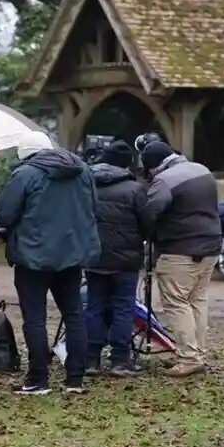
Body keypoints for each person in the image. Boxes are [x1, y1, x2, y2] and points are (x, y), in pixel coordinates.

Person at [0, 131, 100, 395]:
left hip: (32, 256)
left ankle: (38, 379)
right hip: (72, 254)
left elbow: (5, 214)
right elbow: (93, 207)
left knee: (35, 318)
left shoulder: (26, 174)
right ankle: (75, 379)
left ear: (26, 154)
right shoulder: (83, 170)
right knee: (74, 314)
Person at [139, 141, 221, 377]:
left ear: (153, 166)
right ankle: (198, 353)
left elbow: (149, 214)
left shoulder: (165, 181)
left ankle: (188, 358)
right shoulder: (202, 170)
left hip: (180, 250)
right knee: (197, 300)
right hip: (211, 247)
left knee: (176, 302)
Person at [83, 140, 153, 377]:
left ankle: (91, 359)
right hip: (126, 258)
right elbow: (148, 224)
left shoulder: (89, 184)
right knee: (123, 307)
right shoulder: (135, 189)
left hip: (95, 255)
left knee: (94, 306)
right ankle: (120, 360)